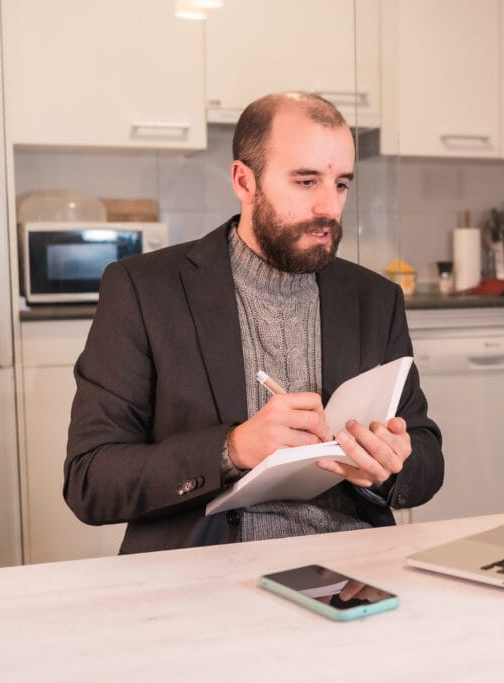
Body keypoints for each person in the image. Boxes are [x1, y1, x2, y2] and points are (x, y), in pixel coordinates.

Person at [65, 92, 444, 554]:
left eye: (341, 184)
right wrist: (233, 449)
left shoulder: (376, 298)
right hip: (210, 572)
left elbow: (426, 457)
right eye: (306, 182)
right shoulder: (144, 290)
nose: (330, 207)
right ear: (245, 182)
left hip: (353, 567)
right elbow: (90, 479)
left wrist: (388, 469)